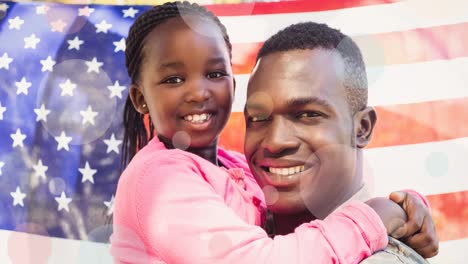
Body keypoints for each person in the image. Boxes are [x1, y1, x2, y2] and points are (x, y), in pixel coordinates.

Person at [111, 2, 437, 263]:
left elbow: (298, 225)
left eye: (214, 73)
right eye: (173, 79)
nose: (198, 92)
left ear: (233, 84)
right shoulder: (159, 179)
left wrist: (406, 207)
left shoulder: (234, 167)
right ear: (140, 98)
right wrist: (374, 217)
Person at [243, 22, 438, 262]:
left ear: (362, 128)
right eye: (258, 118)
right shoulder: (231, 229)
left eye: (308, 115)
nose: (275, 141)